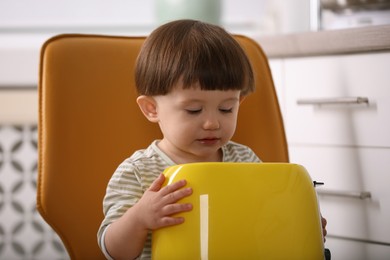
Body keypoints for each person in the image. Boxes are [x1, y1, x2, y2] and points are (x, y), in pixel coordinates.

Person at [97, 19, 327, 260]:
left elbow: (266, 226)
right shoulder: (137, 172)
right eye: (194, 110)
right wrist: (139, 218)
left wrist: (298, 224)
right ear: (151, 109)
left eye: (227, 109)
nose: (212, 123)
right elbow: (113, 251)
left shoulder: (245, 161)